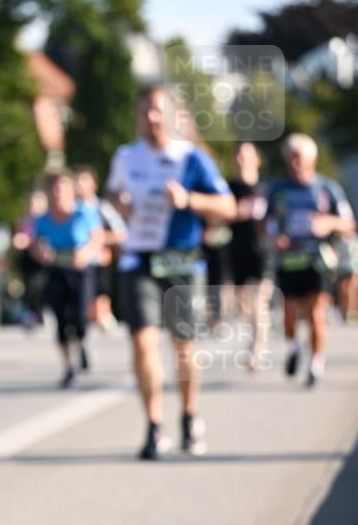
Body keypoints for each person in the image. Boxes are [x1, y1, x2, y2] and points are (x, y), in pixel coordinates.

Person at [107, 86, 236, 460]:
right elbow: (114, 193)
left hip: (181, 259)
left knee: (183, 346)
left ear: (171, 116)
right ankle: (153, 426)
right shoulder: (125, 157)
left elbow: (227, 207)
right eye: (145, 111)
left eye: (158, 111)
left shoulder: (191, 158)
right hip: (139, 259)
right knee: (143, 342)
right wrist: (121, 205)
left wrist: (189, 200)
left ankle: (190, 415)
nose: (151, 118)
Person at [265, 134, 355, 386]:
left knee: (316, 313)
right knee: (290, 312)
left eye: (300, 158)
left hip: (318, 258)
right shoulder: (278, 190)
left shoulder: (327, 188)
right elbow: (266, 223)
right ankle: (294, 345)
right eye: (291, 158)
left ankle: (316, 363)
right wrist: (275, 237)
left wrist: (329, 224)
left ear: (312, 159)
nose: (296, 163)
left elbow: (348, 223)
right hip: (289, 259)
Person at [31, 171, 103, 388]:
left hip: (80, 270)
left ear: (71, 191)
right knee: (60, 320)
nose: (58, 193)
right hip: (57, 270)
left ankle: (82, 344)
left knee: (80, 316)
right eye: (54, 189)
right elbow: (35, 244)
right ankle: (68, 367)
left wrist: (86, 253)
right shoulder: (43, 219)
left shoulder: (84, 213)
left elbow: (97, 238)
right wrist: (41, 253)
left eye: (62, 189)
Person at [227, 142, 273, 370]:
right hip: (237, 251)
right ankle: (257, 341)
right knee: (243, 306)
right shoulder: (228, 188)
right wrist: (235, 213)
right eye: (238, 156)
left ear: (257, 160)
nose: (242, 160)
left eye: (246, 156)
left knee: (258, 301)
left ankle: (257, 350)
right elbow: (218, 215)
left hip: (263, 253)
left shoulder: (267, 188)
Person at [74, 165, 126, 331]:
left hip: (97, 261)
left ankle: (103, 315)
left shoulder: (102, 208)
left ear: (93, 185)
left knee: (99, 295)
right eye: (78, 181)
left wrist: (100, 239)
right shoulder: (70, 209)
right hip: (76, 262)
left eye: (84, 181)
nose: (80, 185)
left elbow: (121, 233)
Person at [11, 187, 48, 329]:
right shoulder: (24, 222)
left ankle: (41, 311)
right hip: (28, 261)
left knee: (42, 286)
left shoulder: (47, 221)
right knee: (31, 287)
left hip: (43, 261)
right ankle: (33, 313)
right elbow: (19, 239)